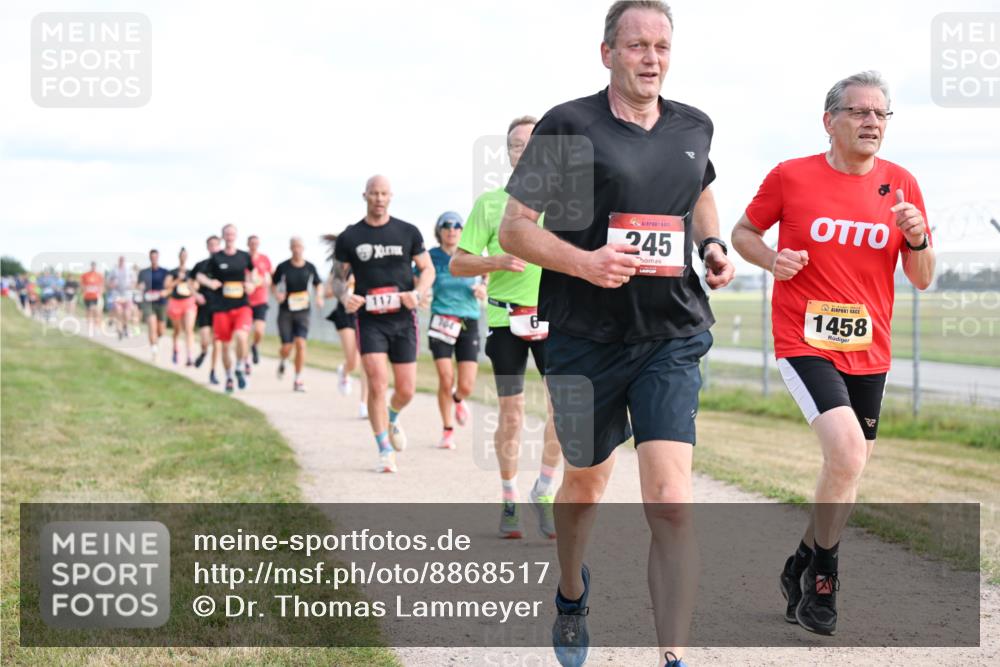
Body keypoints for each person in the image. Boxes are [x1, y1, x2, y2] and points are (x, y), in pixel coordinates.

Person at [497, 3, 736, 666]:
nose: (651, 58)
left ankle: (673, 656)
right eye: (637, 46)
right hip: (583, 337)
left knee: (671, 501)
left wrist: (712, 244)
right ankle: (571, 593)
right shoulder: (569, 125)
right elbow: (516, 228)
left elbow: (702, 190)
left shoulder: (694, 125)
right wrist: (585, 261)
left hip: (671, 333)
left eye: (661, 45)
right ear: (607, 53)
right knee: (586, 483)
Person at [731, 70, 935, 637]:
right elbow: (743, 232)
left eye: (881, 114)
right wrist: (772, 260)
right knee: (846, 452)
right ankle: (824, 579)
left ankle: (799, 559)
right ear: (830, 121)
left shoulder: (902, 184)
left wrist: (918, 239)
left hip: (869, 349)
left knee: (848, 466)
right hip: (804, 338)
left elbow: (921, 277)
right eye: (860, 112)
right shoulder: (791, 176)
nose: (872, 122)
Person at [451, 116, 564, 541]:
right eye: (519, 145)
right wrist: (495, 261)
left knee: (563, 413)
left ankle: (544, 490)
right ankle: (510, 497)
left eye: (535, 145)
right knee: (512, 414)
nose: (527, 151)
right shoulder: (490, 204)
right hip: (505, 318)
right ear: (510, 153)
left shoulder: (565, 203)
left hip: (553, 317)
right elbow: (458, 262)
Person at [334, 175, 435, 473]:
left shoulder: (407, 232)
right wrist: (344, 297)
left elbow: (427, 268)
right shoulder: (350, 236)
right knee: (377, 382)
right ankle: (384, 449)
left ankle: (392, 416)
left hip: (403, 320)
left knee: (406, 389)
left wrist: (418, 293)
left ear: (391, 196)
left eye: (384, 194)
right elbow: (338, 278)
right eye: (374, 193)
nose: (379, 198)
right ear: (364, 195)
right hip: (369, 321)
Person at [426, 211, 485, 450]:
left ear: (463, 230)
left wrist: (483, 287)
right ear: (439, 230)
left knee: (466, 384)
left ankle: (458, 399)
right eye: (447, 225)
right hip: (441, 320)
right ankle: (447, 429)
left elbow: (487, 275)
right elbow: (418, 278)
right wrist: (421, 293)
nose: (452, 229)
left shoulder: (472, 255)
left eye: (457, 225)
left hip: (468, 321)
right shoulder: (431, 257)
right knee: (445, 378)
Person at [196, 224, 255, 394]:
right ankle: (229, 377)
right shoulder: (216, 258)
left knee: (241, 337)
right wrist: (209, 282)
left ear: (236, 236)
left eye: (232, 233)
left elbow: (253, 273)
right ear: (223, 236)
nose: (229, 236)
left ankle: (239, 367)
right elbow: (199, 275)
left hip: (242, 305)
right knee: (225, 345)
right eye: (227, 233)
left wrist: (251, 283)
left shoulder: (244, 256)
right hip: (221, 307)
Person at [322, 233, 369, 418]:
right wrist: (344, 287)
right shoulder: (338, 269)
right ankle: (345, 370)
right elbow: (327, 291)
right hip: (345, 314)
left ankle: (364, 404)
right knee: (353, 360)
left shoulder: (365, 265)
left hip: (365, 313)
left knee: (367, 360)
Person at [271, 236, 324, 391]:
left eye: (299, 246)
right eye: (294, 246)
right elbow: (273, 284)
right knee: (287, 346)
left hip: (303, 310)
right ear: (290, 248)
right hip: (286, 310)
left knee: (301, 344)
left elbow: (318, 284)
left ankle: (298, 379)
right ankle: (283, 360)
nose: (297, 249)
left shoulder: (310, 267)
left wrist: (319, 296)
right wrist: (277, 294)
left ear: (303, 248)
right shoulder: (283, 267)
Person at [192, 235, 222, 384]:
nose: (213, 247)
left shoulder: (225, 265)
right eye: (211, 245)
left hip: (220, 307)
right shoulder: (201, 265)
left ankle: (213, 371)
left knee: (217, 341)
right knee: (205, 339)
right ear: (207, 247)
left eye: (216, 244)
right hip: (204, 306)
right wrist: (196, 294)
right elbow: (191, 282)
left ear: (220, 246)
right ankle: (204, 352)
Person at [165, 247, 199, 366]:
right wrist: (178, 279)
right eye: (182, 255)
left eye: (185, 255)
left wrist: (191, 284)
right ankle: (175, 350)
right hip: (175, 302)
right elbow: (167, 286)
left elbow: (196, 286)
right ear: (179, 257)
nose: (183, 257)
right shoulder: (172, 272)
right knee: (177, 330)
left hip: (188, 302)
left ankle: (190, 356)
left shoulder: (191, 272)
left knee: (189, 329)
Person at [137, 249, 170, 361]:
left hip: (161, 302)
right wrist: (140, 289)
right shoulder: (143, 272)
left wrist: (165, 292)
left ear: (158, 257)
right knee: (152, 325)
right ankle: (154, 350)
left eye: (155, 257)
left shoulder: (165, 272)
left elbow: (169, 287)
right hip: (148, 302)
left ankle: (156, 338)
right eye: (152, 257)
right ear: (150, 258)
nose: (154, 259)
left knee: (161, 331)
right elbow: (139, 286)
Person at [247, 234, 273, 373]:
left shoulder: (264, 259)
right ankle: (245, 363)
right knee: (243, 333)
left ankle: (255, 345)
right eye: (252, 243)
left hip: (261, 300)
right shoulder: (244, 259)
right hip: (245, 301)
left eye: (256, 243)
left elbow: (270, 276)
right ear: (248, 244)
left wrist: (266, 281)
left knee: (259, 330)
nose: (254, 245)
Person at [108, 256, 135, 340]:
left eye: (123, 261)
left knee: (126, 314)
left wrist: (131, 286)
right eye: (120, 260)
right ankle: (119, 330)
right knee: (118, 312)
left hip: (127, 295)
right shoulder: (114, 270)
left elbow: (134, 282)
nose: (121, 262)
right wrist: (112, 285)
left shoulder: (129, 271)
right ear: (118, 261)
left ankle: (125, 327)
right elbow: (108, 281)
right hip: (117, 295)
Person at [80, 262, 105, 335]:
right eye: (92, 266)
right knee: (88, 312)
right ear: (91, 266)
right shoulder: (85, 275)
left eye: (94, 266)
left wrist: (100, 291)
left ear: (95, 267)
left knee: (95, 311)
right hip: (87, 296)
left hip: (95, 296)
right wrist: (84, 289)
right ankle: (90, 328)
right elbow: (82, 284)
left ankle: (96, 327)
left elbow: (102, 285)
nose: (93, 267)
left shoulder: (99, 275)